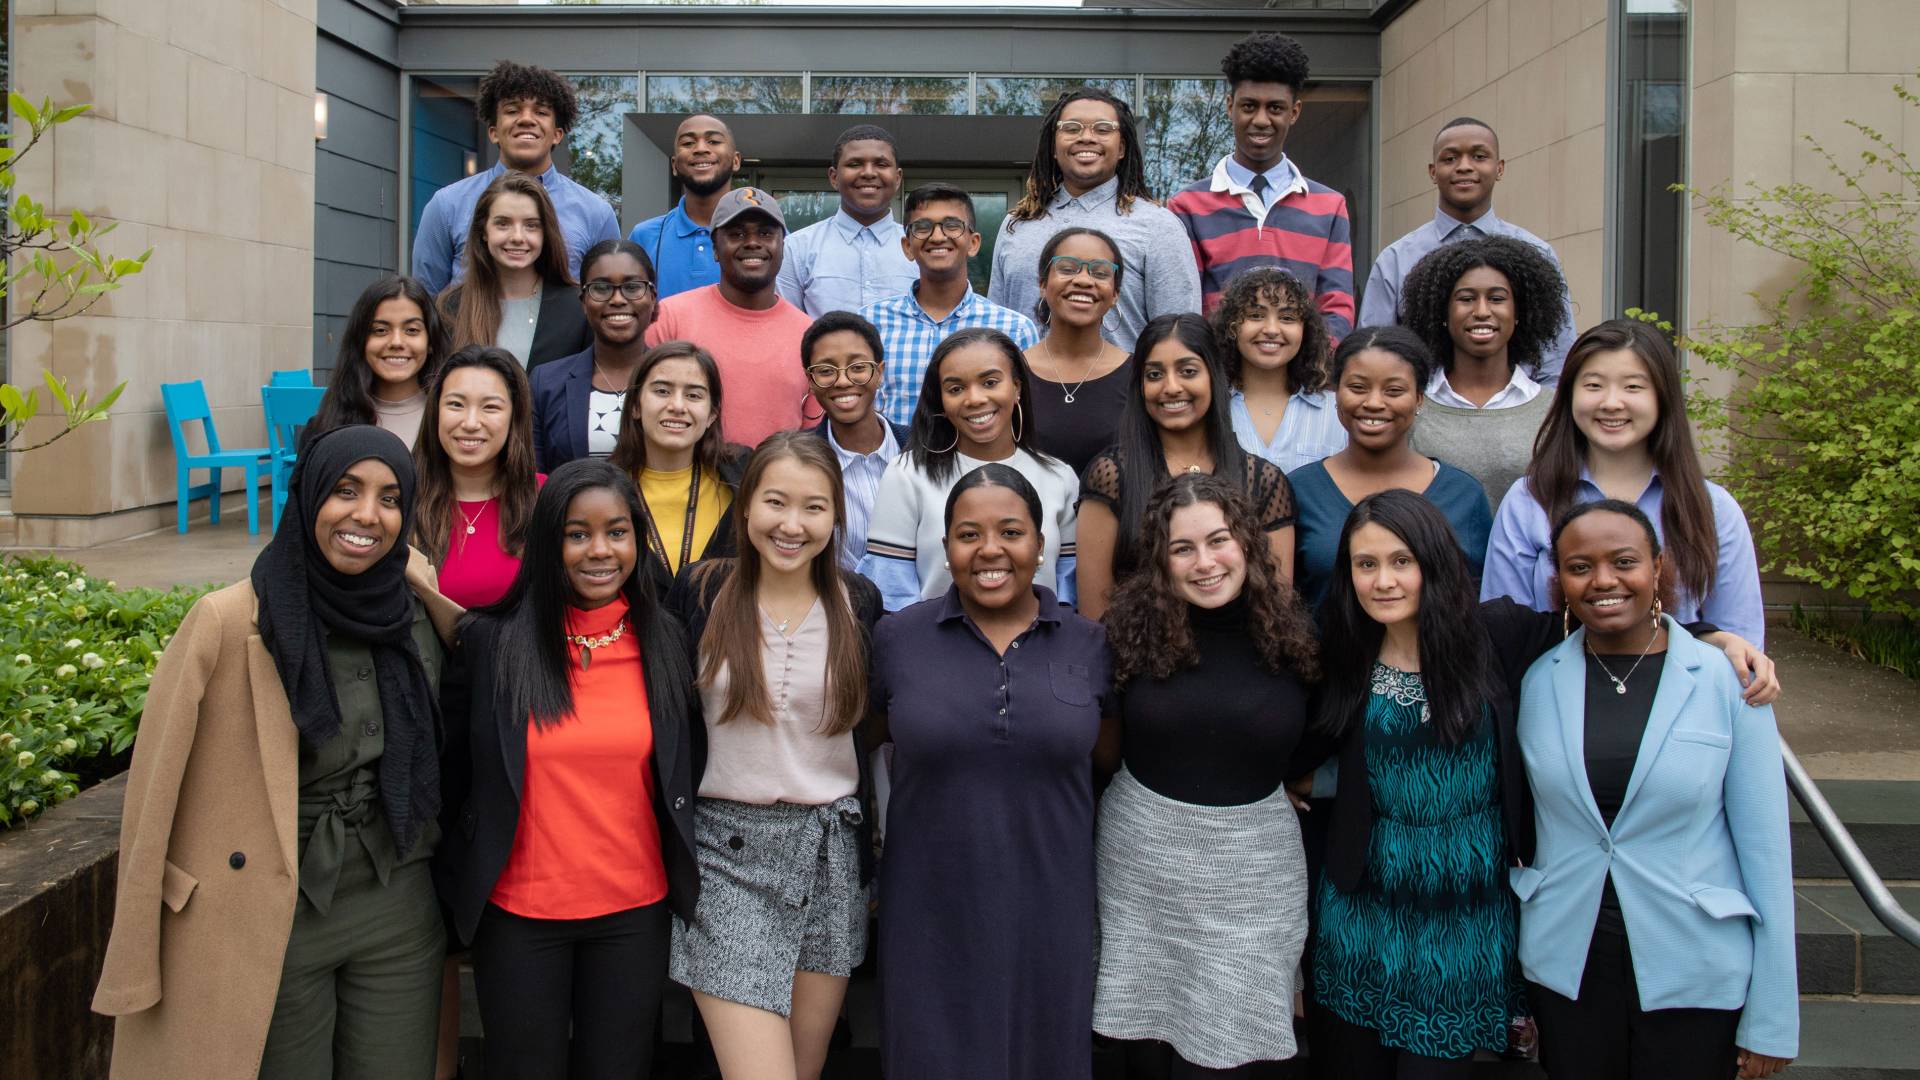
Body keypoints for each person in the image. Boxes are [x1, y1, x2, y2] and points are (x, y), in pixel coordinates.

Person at [1307, 490, 1777, 1080]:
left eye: (1402, 560)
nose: (1384, 581)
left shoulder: (1498, 635)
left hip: (1467, 913)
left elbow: (1609, 610)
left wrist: (1714, 637)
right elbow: (1298, 731)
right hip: (1361, 905)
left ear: (1435, 560)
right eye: (1365, 564)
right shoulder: (1343, 651)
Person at [94, 426, 462, 1080]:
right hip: (269, 907)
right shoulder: (229, 620)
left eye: (388, 498)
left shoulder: (413, 608)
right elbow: (151, 804)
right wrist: (133, 964)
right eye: (345, 491)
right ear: (308, 495)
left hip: (397, 899)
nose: (366, 515)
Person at [434, 458, 699, 1080]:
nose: (599, 551)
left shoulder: (668, 643)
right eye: (577, 534)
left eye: (617, 531)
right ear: (549, 543)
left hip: (634, 915)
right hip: (519, 916)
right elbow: (452, 776)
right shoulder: (494, 646)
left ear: (637, 536)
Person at [1516, 500, 1795, 1080]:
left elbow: (1767, 856)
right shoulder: (1538, 680)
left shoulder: (1727, 681)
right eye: (1579, 566)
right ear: (1560, 581)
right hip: (1569, 964)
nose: (1604, 581)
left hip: (1694, 963)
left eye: (1624, 561)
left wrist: (1773, 1016)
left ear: (1658, 568)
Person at [868, 463, 1116, 1080]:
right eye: (967, 534)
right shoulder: (898, 639)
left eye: (1011, 531)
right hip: (929, 909)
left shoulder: (1090, 644)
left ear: (1041, 543)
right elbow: (860, 741)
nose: (990, 551)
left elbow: (1109, 757)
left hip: (1051, 906)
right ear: (945, 546)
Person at [665, 433, 883, 1080]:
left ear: (836, 517)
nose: (793, 525)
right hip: (728, 855)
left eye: (814, 508)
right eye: (776, 503)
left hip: (829, 855)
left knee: (805, 1068)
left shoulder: (859, 603)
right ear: (746, 508)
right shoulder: (701, 593)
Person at [1095, 473, 1323, 1076]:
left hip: (1257, 877)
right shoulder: (1125, 639)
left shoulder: (1296, 638)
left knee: (1235, 1050)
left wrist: (1300, 784)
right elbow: (1102, 748)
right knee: (1143, 1049)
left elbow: (1327, 736)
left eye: (1219, 540)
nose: (1205, 563)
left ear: (1248, 542)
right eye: (1182, 548)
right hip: (1142, 871)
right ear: (1160, 562)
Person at [1483, 319, 1766, 646]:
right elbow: (1502, 637)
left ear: (1662, 397)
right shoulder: (1529, 500)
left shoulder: (1712, 507)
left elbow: (1741, 648)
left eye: (1633, 387)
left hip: (1681, 693)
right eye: (1593, 385)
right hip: (1555, 691)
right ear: (1569, 395)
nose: (1612, 402)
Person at [1076, 313, 1296, 620]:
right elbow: (1094, 614)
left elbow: (1277, 607)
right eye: (1154, 375)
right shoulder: (1111, 475)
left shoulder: (1264, 481)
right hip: (1136, 659)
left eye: (1188, 371)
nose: (1171, 387)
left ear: (1214, 376)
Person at [858, 327, 1080, 611]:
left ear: (1017, 388)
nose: (974, 398)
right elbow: (892, 593)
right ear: (941, 401)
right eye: (955, 388)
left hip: (1040, 650)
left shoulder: (1059, 477)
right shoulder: (907, 473)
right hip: (934, 650)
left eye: (989, 382)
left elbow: (1068, 595)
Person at [1358, 117, 1577, 385]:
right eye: (1450, 159)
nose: (1464, 167)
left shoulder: (1538, 255)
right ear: (1432, 171)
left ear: (1499, 168)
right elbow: (1373, 353)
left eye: (1479, 156)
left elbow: (1556, 359)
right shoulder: (1396, 260)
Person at [1288, 325, 1491, 610]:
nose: (1373, 403)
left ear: (1419, 399)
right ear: (1336, 394)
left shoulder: (1463, 494)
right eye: (1358, 387)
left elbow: (1478, 601)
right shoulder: (1299, 490)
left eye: (1394, 390)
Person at [1167, 31, 1355, 336]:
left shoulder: (1330, 207)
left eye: (1275, 108)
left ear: (1294, 112)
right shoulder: (1186, 206)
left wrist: (1310, 373)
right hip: (1220, 379)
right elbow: (1187, 309)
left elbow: (1337, 308)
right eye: (1249, 106)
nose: (1261, 120)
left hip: (1301, 381)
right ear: (1230, 106)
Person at [989, 87, 1201, 351]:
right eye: (1072, 128)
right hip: (1025, 389)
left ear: (1122, 147)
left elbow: (1181, 335)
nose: (1086, 138)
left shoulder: (1158, 226)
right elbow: (996, 329)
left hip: (1121, 390)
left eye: (1102, 129)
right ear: (1054, 146)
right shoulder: (1017, 224)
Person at [411, 60, 620, 295]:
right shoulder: (446, 205)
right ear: (493, 132)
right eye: (512, 111)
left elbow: (605, 299)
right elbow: (424, 301)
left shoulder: (596, 213)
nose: (526, 119)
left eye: (541, 112)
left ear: (557, 135)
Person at [1402, 235, 1568, 504]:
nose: (1482, 311)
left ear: (1518, 312)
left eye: (1497, 298)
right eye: (1466, 299)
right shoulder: (1413, 406)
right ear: (1442, 313)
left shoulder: (1554, 411)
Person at [647, 186, 814, 447]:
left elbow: (811, 434)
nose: (752, 242)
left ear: (783, 245)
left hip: (775, 484)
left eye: (766, 233)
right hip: (688, 482)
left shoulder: (809, 334)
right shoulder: (669, 317)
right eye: (736, 234)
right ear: (715, 248)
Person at [862, 182, 1039, 426]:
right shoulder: (871, 323)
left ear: (974, 243)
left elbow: (1029, 415)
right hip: (895, 462)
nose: (937, 237)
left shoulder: (1014, 329)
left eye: (952, 226)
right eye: (922, 227)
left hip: (983, 462)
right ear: (907, 246)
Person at [609, 340, 751, 599]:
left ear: (712, 414)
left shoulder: (746, 475)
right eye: (662, 391)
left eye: (694, 395)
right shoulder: (602, 487)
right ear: (635, 406)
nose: (677, 406)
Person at [414, 345, 543, 609]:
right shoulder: (402, 497)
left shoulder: (545, 497)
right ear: (435, 410)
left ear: (514, 416)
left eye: (490, 407)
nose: (471, 422)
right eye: (456, 404)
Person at [438, 173, 592, 371]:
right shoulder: (450, 308)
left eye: (531, 225)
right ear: (484, 231)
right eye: (503, 223)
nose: (518, 237)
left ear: (545, 233)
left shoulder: (579, 308)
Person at [532, 239, 659, 472]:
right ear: (583, 302)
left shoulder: (677, 380)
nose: (618, 299)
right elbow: (534, 480)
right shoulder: (545, 383)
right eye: (601, 288)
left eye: (632, 287)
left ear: (652, 297)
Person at [800, 311, 909, 571]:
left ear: (879, 372)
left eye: (858, 367)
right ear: (810, 381)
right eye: (826, 371)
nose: (843, 381)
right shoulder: (796, 462)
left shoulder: (924, 449)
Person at [1021, 227, 1135, 477]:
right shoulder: (1011, 372)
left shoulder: (1139, 376)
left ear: (1115, 294)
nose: (1084, 280)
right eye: (1067, 268)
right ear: (1042, 284)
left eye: (1100, 272)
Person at [1211, 265, 1345, 473]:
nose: (1272, 330)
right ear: (1232, 326)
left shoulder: (1338, 411)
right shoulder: (1209, 408)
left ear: (1306, 329)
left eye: (1287, 318)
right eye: (1256, 315)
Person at [776, 124, 920, 317]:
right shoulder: (796, 248)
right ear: (834, 177)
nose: (868, 173)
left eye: (881, 164)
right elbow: (787, 327)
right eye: (854, 164)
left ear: (897, 178)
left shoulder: (920, 246)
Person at [313, 276, 450, 449]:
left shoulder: (451, 419)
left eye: (412, 330)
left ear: (430, 341)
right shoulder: (327, 425)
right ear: (360, 340)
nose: (397, 342)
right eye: (380, 330)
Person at [628, 113, 740, 299]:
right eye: (688, 143)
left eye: (713, 141)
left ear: (736, 161)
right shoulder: (644, 236)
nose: (701, 148)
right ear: (674, 165)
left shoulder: (765, 236)